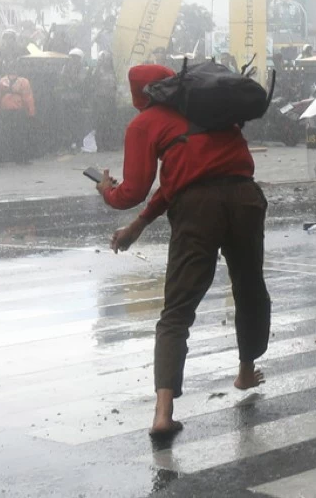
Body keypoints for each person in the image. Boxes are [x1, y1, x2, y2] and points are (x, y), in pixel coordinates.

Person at [97, 64, 271, 439]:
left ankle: (163, 413)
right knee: (249, 288)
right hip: (244, 197)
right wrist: (139, 225)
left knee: (177, 309)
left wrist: (108, 192)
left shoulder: (145, 123)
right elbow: (187, 173)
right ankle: (245, 370)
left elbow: (135, 190)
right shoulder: (208, 109)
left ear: (138, 94)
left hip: (198, 210)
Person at [0, 57, 35, 166]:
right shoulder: (24, 82)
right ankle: (21, 159)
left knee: (2, 136)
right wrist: (31, 113)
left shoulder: (2, 81)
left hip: (5, 111)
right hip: (18, 111)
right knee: (20, 135)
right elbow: (28, 98)